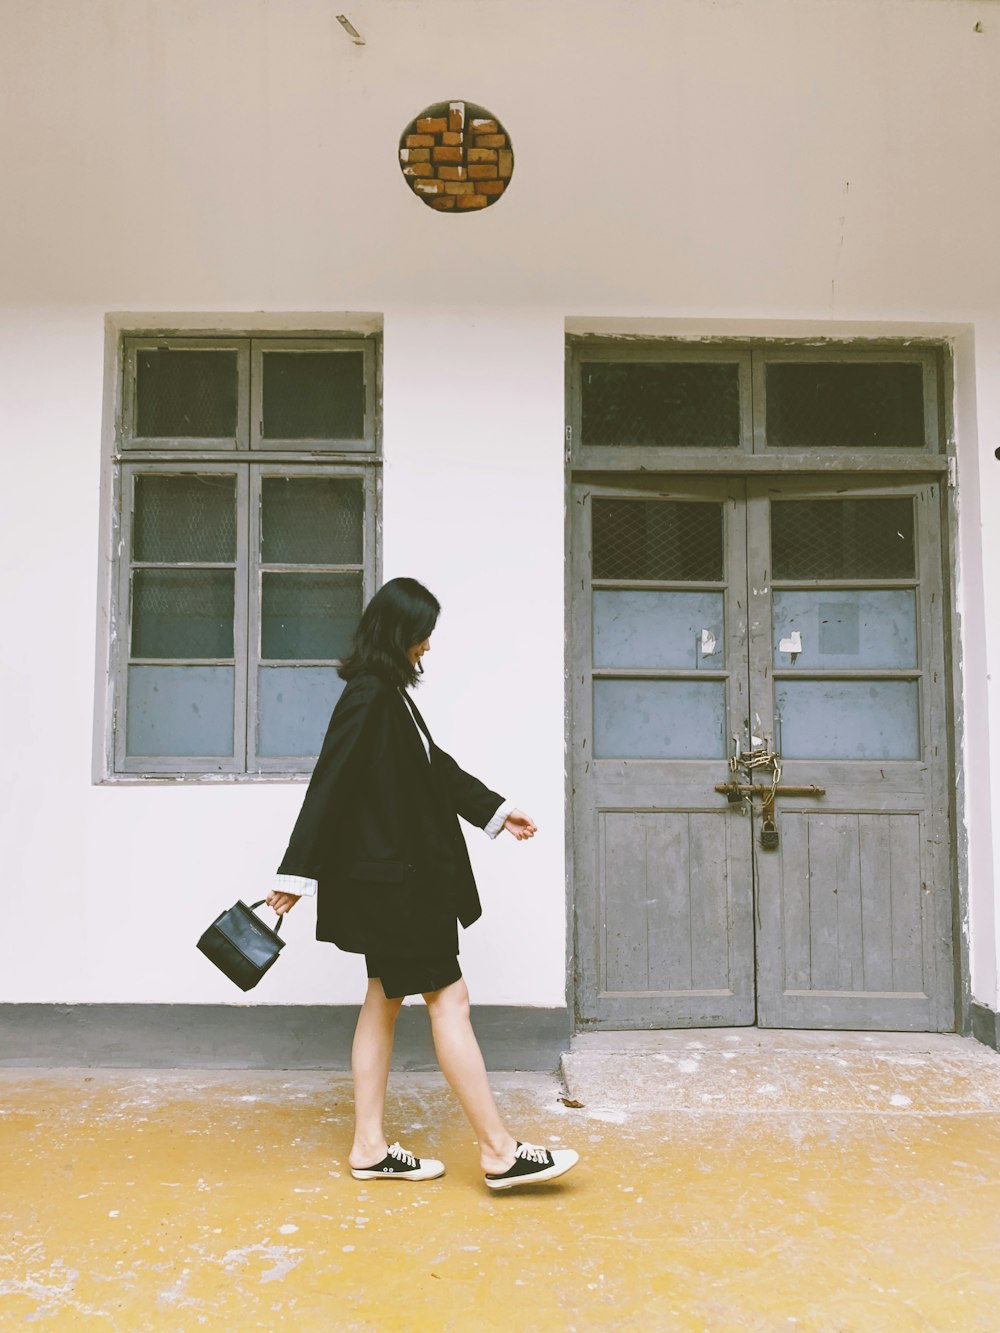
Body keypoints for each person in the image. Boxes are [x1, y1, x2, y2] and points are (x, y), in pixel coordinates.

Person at [266, 576, 578, 1191]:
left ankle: (368, 1147)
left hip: (392, 884)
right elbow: (328, 785)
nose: (429, 645)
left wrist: (494, 809)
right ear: (398, 633)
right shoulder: (368, 697)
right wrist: (294, 875)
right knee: (450, 1001)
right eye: (422, 633)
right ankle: (499, 1152)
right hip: (401, 887)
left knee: (382, 1001)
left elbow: (435, 768)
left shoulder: (386, 694)